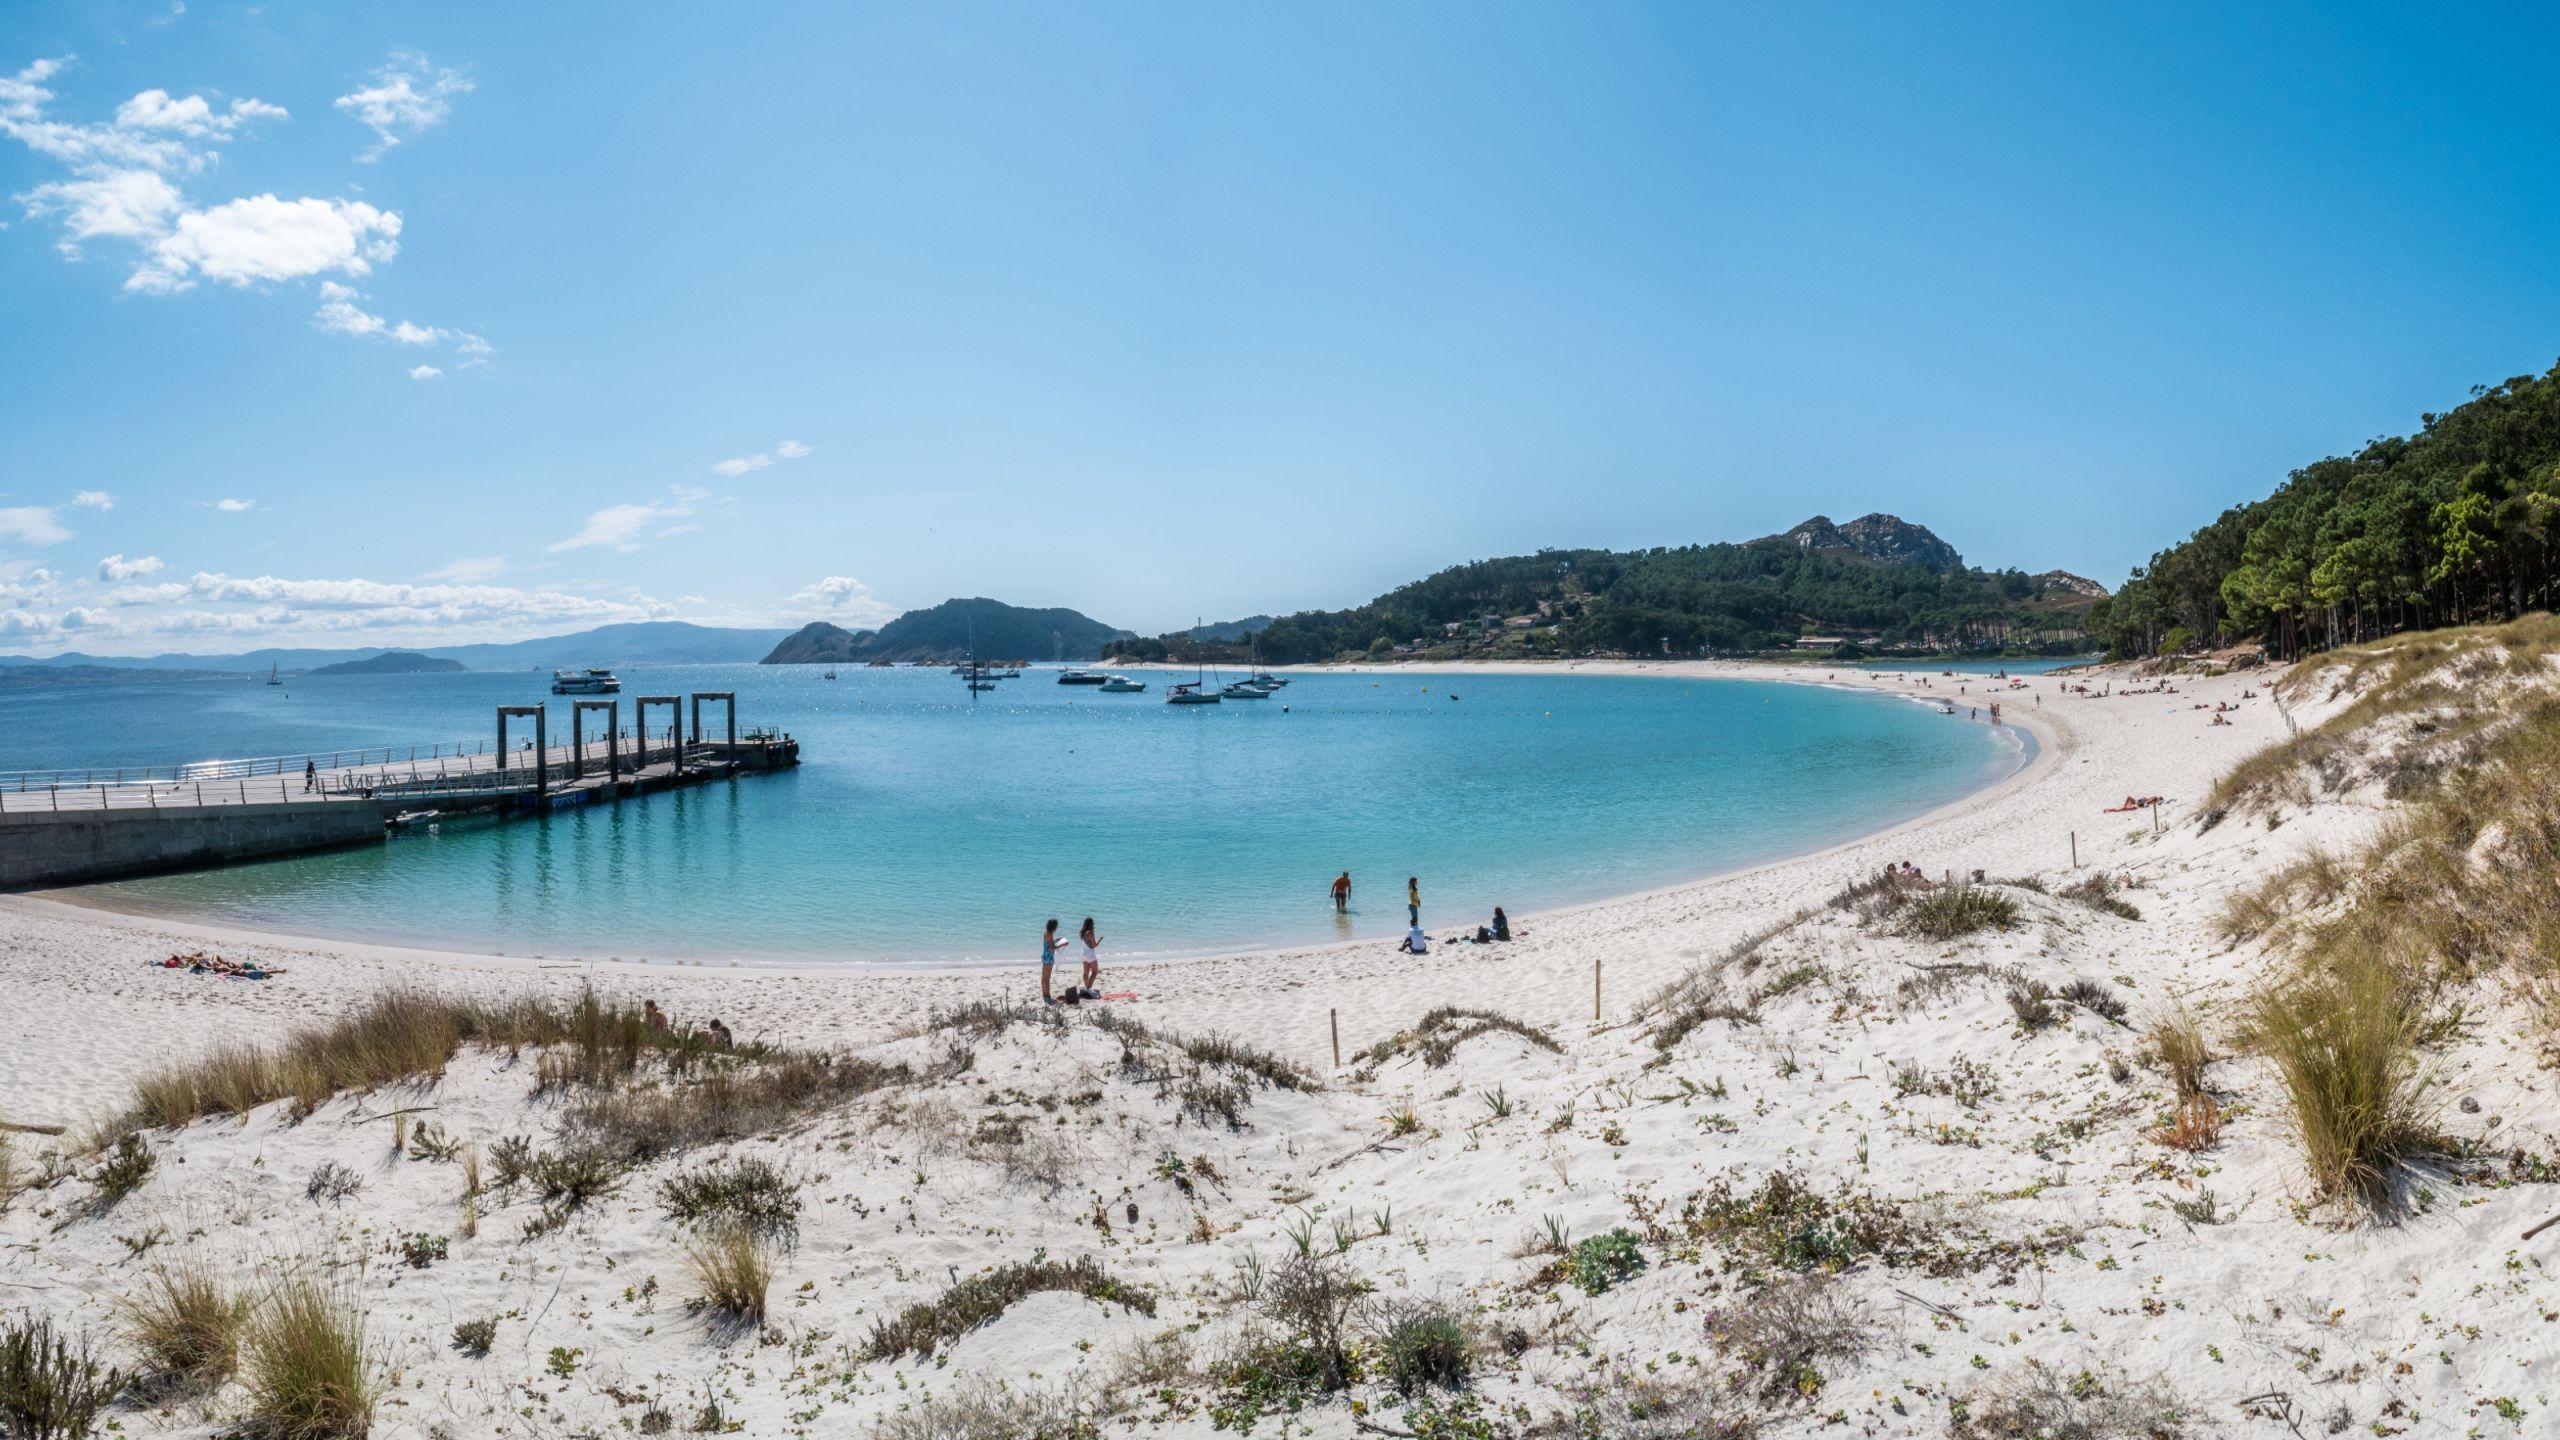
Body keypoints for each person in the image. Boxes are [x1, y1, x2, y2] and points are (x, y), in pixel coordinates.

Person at [1039, 918, 1066, 1004]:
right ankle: (1048, 996)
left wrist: (1057, 939)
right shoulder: (1050, 934)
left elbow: (1050, 943)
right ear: (1054, 926)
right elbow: (1052, 947)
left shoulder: (1046, 933)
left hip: (1045, 955)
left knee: (1043, 977)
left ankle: (1044, 994)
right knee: (1047, 977)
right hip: (1049, 957)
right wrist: (1062, 944)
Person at [1078, 917, 1102, 999]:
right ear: (1091, 924)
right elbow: (1094, 945)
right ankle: (1088, 988)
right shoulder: (1091, 933)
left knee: (1086, 972)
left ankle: (1087, 988)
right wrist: (1100, 940)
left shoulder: (1082, 933)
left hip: (1083, 953)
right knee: (1095, 972)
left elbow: (1088, 943)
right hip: (1090, 954)